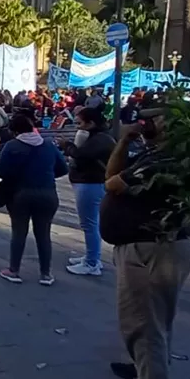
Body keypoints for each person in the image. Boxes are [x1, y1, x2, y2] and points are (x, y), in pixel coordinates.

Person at [100, 105, 190, 379]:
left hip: (152, 248)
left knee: (144, 320)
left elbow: (111, 182)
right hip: (158, 246)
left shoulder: (164, 161)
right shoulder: (165, 157)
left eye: (151, 119)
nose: (144, 124)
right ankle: (148, 369)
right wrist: (126, 142)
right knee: (156, 317)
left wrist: (126, 142)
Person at [0, 114, 67, 286]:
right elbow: (63, 168)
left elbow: (1, 172)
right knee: (43, 234)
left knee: (19, 232)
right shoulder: (49, 145)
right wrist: (45, 176)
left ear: (14, 131)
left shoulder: (11, 146)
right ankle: (46, 274)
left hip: (21, 194)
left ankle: (14, 270)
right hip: (48, 194)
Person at [62, 106, 115, 277]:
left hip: (91, 183)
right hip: (88, 182)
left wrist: (68, 146)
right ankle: (91, 257)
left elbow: (81, 155)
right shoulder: (96, 136)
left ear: (91, 123)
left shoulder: (100, 139)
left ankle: (92, 262)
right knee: (90, 223)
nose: (77, 127)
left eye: (80, 123)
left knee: (89, 223)